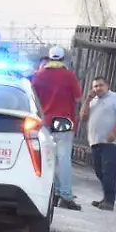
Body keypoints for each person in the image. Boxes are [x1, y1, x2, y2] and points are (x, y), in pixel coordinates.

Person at [30, 46, 83, 210]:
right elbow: (78, 97)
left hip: (44, 122)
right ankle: (65, 195)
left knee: (47, 159)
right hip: (64, 122)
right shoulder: (69, 75)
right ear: (62, 59)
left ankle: (51, 194)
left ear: (49, 58)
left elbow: (32, 98)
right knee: (63, 158)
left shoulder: (38, 76)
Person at [79, 76, 116, 211]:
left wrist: (114, 133)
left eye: (100, 85)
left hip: (110, 143)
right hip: (95, 141)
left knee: (108, 172)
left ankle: (109, 201)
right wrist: (88, 99)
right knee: (99, 172)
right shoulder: (93, 101)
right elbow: (83, 117)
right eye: (95, 86)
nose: (97, 88)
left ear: (107, 86)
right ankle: (105, 198)